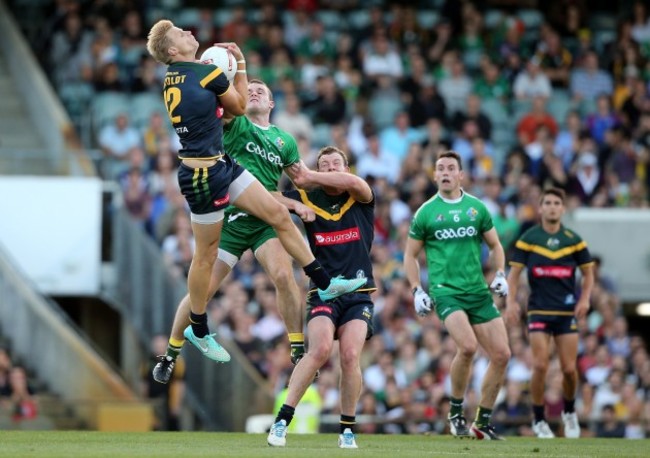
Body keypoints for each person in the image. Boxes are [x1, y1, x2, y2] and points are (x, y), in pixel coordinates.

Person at [145, 21, 367, 374]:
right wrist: (238, 70)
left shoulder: (179, 75)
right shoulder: (212, 83)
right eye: (180, 34)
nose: (189, 33)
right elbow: (235, 106)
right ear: (172, 51)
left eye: (262, 91)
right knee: (204, 261)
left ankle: (326, 285)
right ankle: (187, 339)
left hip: (224, 169)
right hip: (207, 177)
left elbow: (301, 178)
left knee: (281, 229)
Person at [151, 77, 334, 383]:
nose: (254, 92)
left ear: (272, 104)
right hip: (232, 219)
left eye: (261, 90)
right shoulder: (236, 125)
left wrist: (336, 181)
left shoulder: (284, 141)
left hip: (265, 223)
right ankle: (169, 355)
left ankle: (297, 349)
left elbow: (302, 179)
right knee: (201, 291)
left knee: (283, 276)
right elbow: (231, 101)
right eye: (249, 90)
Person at [267, 146, 376, 449]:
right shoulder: (307, 196)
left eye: (335, 164)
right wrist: (295, 203)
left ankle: (347, 430)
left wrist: (308, 175)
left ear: (347, 167)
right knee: (320, 349)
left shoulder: (360, 196)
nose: (330, 168)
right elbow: (265, 195)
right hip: (324, 290)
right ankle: (281, 422)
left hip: (358, 292)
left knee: (351, 355)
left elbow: (358, 185)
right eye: (323, 163)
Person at [403, 150, 511, 440]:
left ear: (461, 175)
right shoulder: (425, 212)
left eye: (452, 167)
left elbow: (496, 246)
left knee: (502, 354)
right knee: (467, 347)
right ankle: (455, 414)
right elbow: (410, 255)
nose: (446, 172)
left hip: (477, 290)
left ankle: (482, 423)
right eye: (441, 168)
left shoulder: (477, 208)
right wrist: (416, 290)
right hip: (445, 291)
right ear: (435, 175)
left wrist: (501, 273)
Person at [505, 187, 594, 439]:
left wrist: (585, 299)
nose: (553, 206)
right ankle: (539, 418)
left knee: (568, 369)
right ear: (540, 208)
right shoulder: (529, 238)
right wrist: (511, 302)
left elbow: (588, 274)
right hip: (538, 311)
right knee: (541, 365)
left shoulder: (574, 240)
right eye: (548, 202)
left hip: (566, 312)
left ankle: (569, 412)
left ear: (562, 208)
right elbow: (513, 275)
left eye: (557, 202)